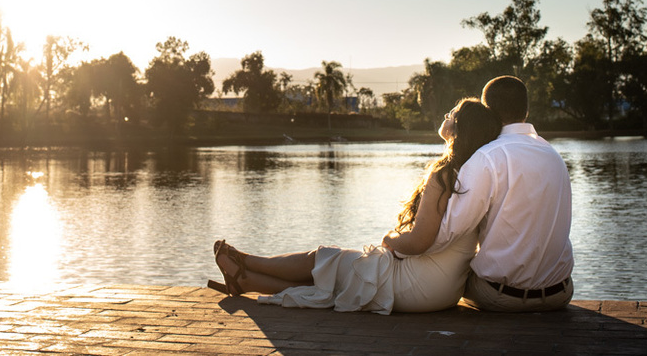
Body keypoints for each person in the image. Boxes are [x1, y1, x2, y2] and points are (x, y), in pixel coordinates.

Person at [209, 97, 501, 314]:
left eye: (452, 113)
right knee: (336, 279)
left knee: (324, 258)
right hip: (444, 288)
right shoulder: (471, 173)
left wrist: (390, 239)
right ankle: (245, 280)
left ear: (459, 128)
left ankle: (245, 261)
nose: (446, 114)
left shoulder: (445, 174)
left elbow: (420, 241)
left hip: (420, 286)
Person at [440, 75, 574, 312]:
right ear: (526, 110)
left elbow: (448, 230)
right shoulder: (554, 156)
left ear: (487, 111)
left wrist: (452, 143)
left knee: (444, 274)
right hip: (560, 293)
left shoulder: (487, 157)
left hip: (501, 297)